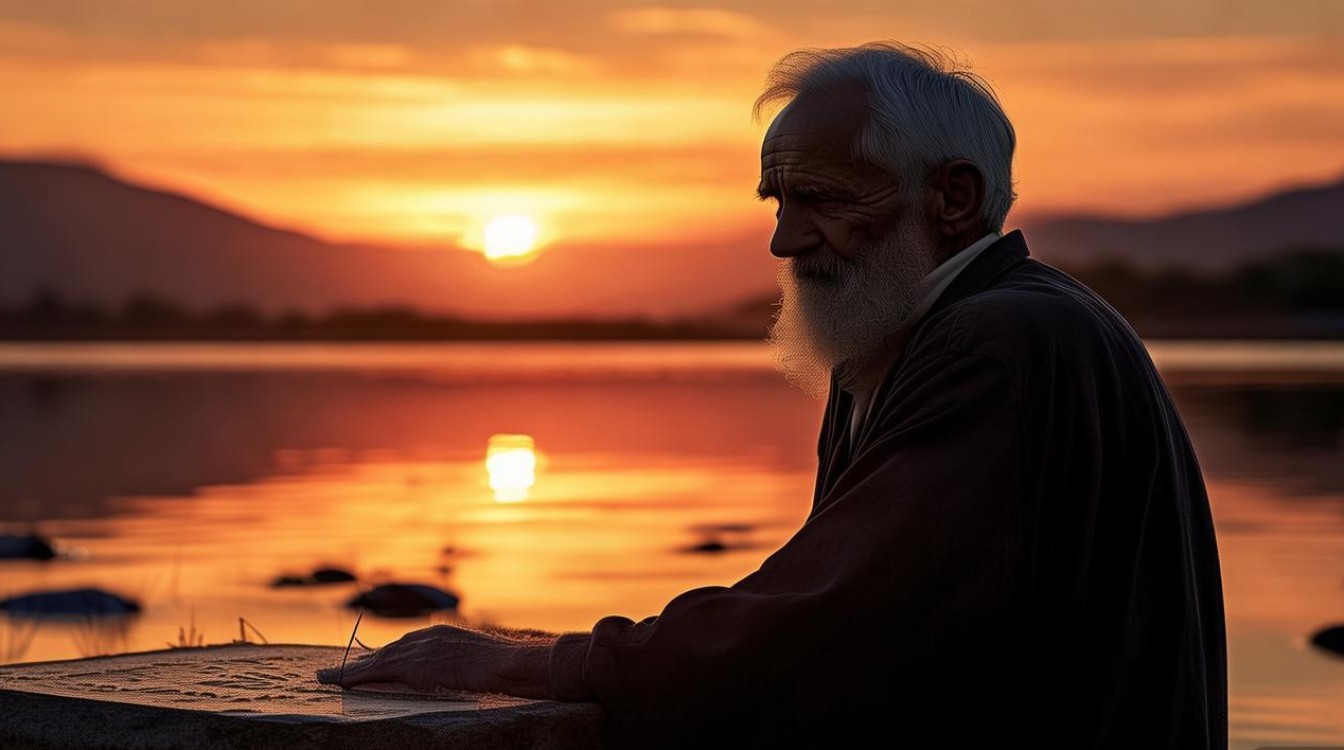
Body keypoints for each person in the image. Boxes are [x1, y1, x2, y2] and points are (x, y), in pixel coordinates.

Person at [318, 41, 1229, 749]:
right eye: (776, 200)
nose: (785, 243)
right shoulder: (906, 339)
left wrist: (538, 665)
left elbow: (823, 620)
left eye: (825, 198)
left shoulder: (1003, 340)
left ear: (954, 197)